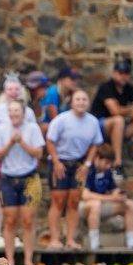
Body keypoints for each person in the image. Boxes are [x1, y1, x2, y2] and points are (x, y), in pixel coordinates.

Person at [0, 100, 45, 265]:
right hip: (8, 178)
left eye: (17, 111)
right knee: (10, 220)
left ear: (23, 112)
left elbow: (38, 153)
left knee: (28, 221)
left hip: (29, 178)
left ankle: (28, 260)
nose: (14, 114)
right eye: (11, 111)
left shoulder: (32, 128)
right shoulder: (1, 129)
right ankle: (10, 260)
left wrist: (22, 142)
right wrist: (11, 143)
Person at [45, 89, 103, 249]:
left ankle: (70, 239)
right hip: (60, 161)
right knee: (58, 200)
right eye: (78, 99)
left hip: (78, 164)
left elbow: (96, 143)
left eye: (84, 99)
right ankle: (55, 239)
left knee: (74, 202)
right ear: (72, 102)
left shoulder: (92, 121)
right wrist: (56, 162)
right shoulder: (61, 120)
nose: (81, 102)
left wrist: (88, 164)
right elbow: (50, 141)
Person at [90, 60, 133, 177]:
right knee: (118, 120)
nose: (123, 76)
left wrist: (128, 111)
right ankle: (118, 163)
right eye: (120, 73)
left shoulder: (129, 88)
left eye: (126, 73)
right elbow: (115, 111)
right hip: (100, 126)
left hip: (119, 126)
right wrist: (130, 109)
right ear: (114, 73)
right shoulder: (106, 87)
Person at [80, 144, 133, 250]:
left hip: (103, 205)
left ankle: (131, 242)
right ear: (97, 158)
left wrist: (119, 195)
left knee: (130, 204)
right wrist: (110, 198)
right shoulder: (89, 170)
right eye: (106, 163)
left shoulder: (107, 172)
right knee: (95, 204)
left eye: (110, 163)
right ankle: (94, 244)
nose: (108, 166)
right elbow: (85, 195)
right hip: (84, 206)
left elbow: (114, 190)